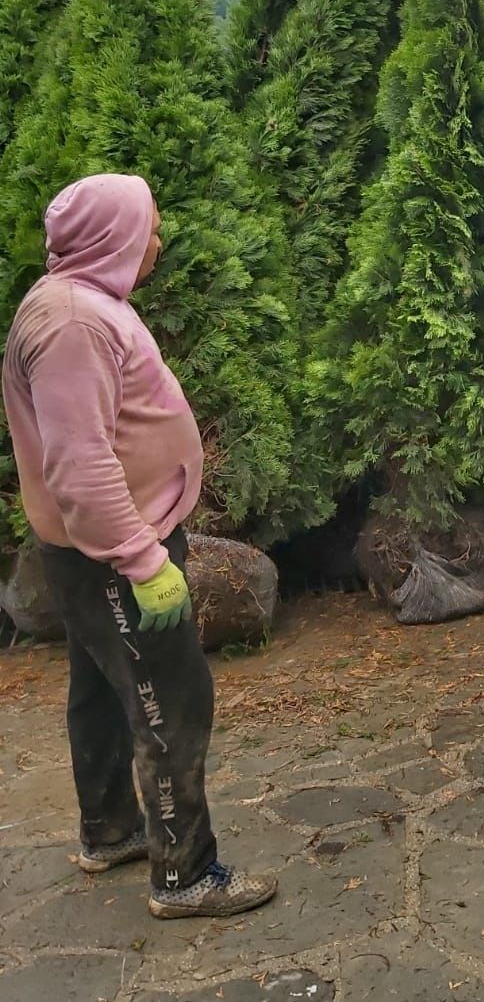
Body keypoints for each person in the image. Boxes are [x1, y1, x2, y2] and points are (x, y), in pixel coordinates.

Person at [2, 173, 278, 918]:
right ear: (111, 236)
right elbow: (81, 466)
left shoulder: (76, 301)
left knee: (99, 689)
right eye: (150, 225)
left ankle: (110, 831)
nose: (159, 238)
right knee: (170, 703)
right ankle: (185, 875)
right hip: (114, 555)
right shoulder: (73, 326)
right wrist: (142, 558)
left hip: (94, 552)